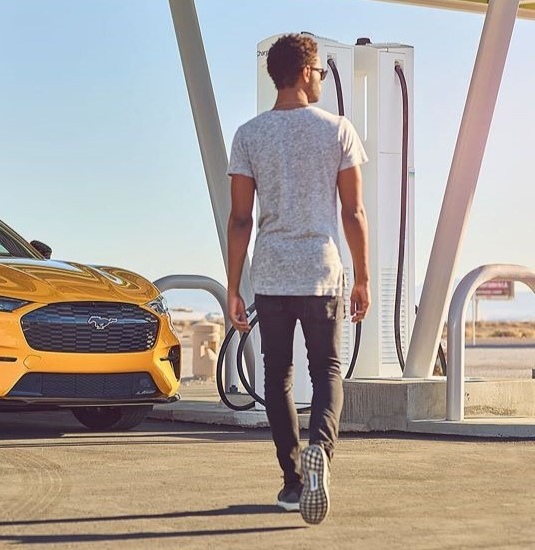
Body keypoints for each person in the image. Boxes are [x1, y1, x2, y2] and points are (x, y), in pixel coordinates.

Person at [225, 33, 370, 525]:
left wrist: (233, 287)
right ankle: (320, 456)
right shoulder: (338, 130)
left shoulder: (249, 134)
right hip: (321, 271)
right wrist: (362, 277)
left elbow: (240, 219)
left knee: (278, 375)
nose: (322, 80)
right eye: (321, 72)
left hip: (271, 272)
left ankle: (292, 481)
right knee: (327, 370)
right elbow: (353, 211)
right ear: (307, 72)